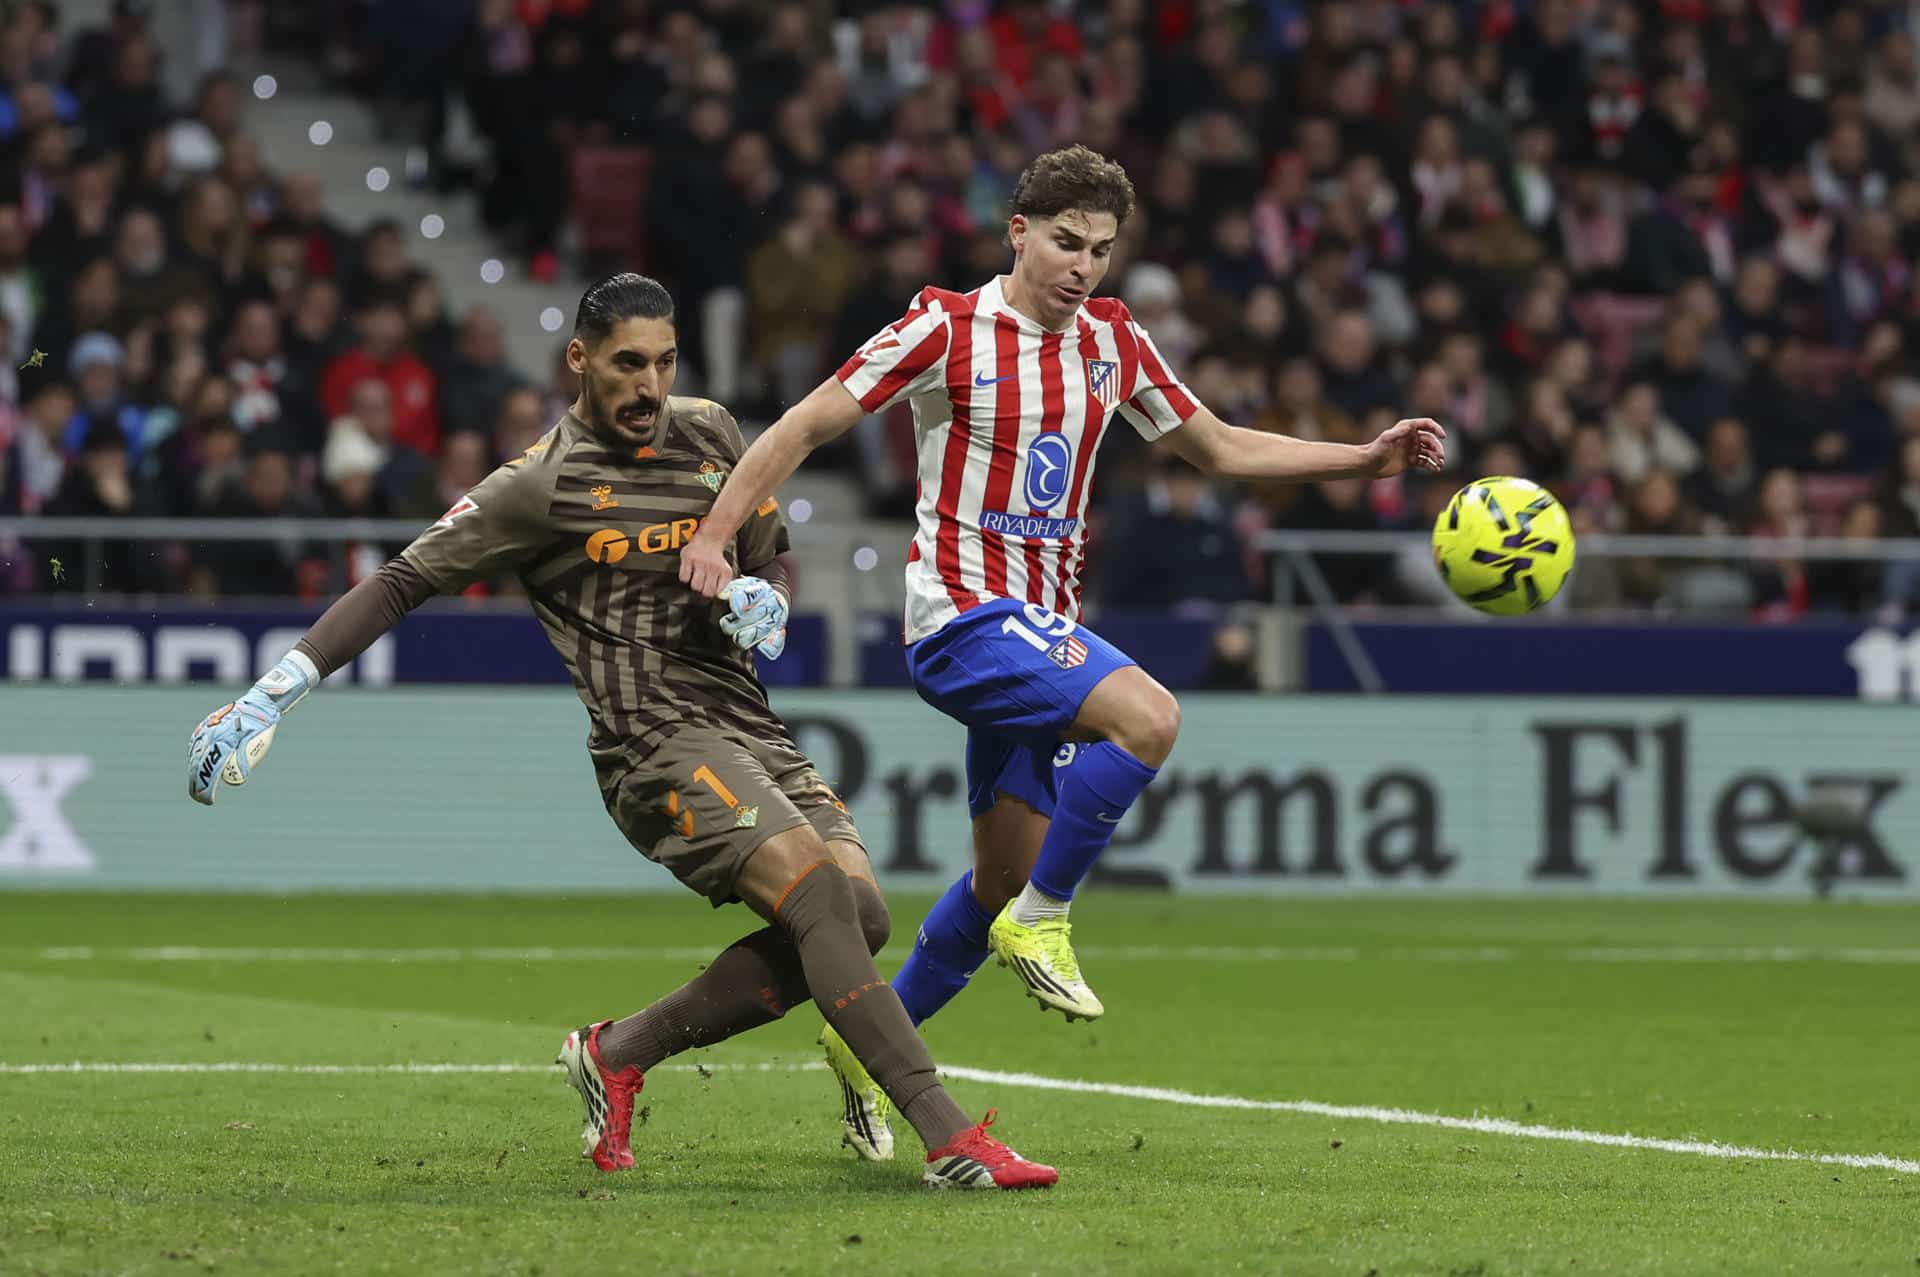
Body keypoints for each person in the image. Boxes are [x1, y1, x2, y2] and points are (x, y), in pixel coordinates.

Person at [183, 274, 1055, 1191]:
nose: (649, 385)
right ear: (580, 361)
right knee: (815, 898)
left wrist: (772, 600)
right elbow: (403, 580)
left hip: (747, 724)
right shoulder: (539, 485)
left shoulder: (713, 432)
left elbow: (772, 555)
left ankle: (618, 1051)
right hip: (650, 744)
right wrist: (274, 690)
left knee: (862, 914)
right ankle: (949, 1133)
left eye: (664, 361)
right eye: (628, 363)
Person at [679, 145, 1444, 1157]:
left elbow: (1214, 445)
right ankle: (1045, 919)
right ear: (1018, 233)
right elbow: (801, 427)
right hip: (961, 617)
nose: (1084, 266)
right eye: (1066, 242)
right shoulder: (945, 327)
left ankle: (867, 1047)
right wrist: (711, 533)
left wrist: (1362, 457)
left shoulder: (1113, 341)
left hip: (1040, 637)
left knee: (995, 874)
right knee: (1151, 715)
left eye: (1102, 249)